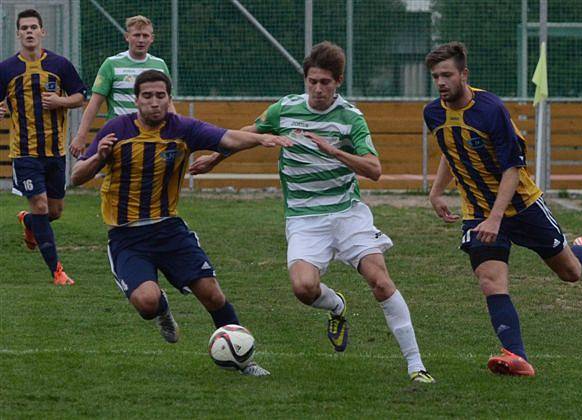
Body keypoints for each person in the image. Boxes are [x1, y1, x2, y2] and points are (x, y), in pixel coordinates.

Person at [189, 41, 435, 384]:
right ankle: (336, 307)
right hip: (305, 218)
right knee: (304, 289)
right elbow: (247, 134)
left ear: (338, 82)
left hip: (348, 214)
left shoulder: (351, 118)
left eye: (326, 83)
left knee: (380, 281)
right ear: (305, 80)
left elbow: (374, 170)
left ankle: (416, 365)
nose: (318, 89)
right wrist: (215, 159)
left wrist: (333, 151)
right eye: (312, 81)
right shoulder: (285, 109)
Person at [70, 70, 292, 376]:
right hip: (127, 236)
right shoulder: (117, 130)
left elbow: (227, 137)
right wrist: (99, 158)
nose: (154, 102)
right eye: (147, 96)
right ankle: (162, 311)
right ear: (136, 100)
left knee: (212, 293)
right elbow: (75, 177)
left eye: (160, 96)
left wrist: (261, 138)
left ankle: (244, 359)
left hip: (168, 229)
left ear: (169, 98)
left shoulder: (182, 128)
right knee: (147, 302)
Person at [423, 41, 582, 377]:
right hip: (478, 211)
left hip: (523, 206)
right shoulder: (433, 112)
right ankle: (516, 356)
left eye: (447, 74)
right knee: (490, 280)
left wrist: (498, 217)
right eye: (436, 76)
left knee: (568, 272)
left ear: (464, 74)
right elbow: (450, 149)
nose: (441, 82)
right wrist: (437, 191)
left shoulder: (491, 109)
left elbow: (513, 167)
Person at [0, 8, 86, 285]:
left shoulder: (60, 65)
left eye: (33, 27)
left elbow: (80, 96)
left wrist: (60, 102)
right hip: (24, 153)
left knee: (53, 211)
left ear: (42, 32)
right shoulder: (6, 69)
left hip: (55, 152)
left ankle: (29, 223)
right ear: (18, 34)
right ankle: (57, 272)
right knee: (39, 204)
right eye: (23, 28)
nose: (28, 31)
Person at [69, 15, 174, 158]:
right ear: (127, 37)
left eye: (145, 35)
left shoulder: (160, 65)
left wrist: (176, 131)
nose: (141, 40)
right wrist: (81, 136)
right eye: (137, 35)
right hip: (120, 135)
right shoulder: (111, 64)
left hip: (152, 135)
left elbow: (168, 104)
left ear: (152, 38)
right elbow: (94, 103)